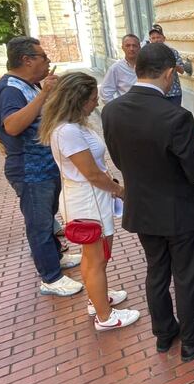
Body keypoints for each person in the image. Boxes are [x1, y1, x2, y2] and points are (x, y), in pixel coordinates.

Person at [101, 43, 194, 361]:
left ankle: (165, 334)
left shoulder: (111, 112)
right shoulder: (176, 116)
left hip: (142, 209)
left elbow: (119, 159)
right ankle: (192, 340)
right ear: (168, 73)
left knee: (156, 271)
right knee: (186, 276)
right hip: (180, 212)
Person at [39, 72, 139, 331]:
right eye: (92, 99)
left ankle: (99, 299)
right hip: (87, 200)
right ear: (77, 100)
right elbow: (91, 173)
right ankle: (105, 317)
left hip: (93, 198)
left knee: (98, 255)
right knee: (95, 258)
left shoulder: (74, 126)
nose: (96, 103)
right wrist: (120, 191)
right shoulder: (67, 131)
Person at [0, 36, 82, 297]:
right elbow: (11, 125)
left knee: (48, 219)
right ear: (27, 60)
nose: (48, 61)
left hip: (44, 167)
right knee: (39, 224)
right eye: (43, 57)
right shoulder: (10, 88)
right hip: (31, 171)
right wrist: (43, 95)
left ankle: (56, 257)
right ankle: (51, 278)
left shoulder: (24, 85)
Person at [147, 25, 191, 107]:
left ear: (164, 38)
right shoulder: (147, 54)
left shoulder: (173, 52)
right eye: (153, 38)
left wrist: (172, 63)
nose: (156, 40)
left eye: (158, 37)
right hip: (156, 93)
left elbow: (182, 71)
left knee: (175, 118)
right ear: (150, 40)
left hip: (174, 93)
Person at [99, 34, 141, 103]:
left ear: (139, 47)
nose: (131, 49)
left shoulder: (147, 65)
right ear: (122, 48)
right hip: (127, 109)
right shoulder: (115, 68)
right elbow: (105, 92)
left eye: (134, 45)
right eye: (128, 46)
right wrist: (116, 109)